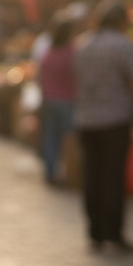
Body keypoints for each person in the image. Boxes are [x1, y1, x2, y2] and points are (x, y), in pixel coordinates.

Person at [73, 0, 133, 254]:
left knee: (92, 175)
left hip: (87, 120)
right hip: (115, 119)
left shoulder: (83, 45)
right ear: (120, 21)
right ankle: (114, 235)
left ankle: (95, 233)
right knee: (113, 177)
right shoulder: (123, 45)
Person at [39, 17, 76, 184]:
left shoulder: (48, 53)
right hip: (67, 101)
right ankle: (69, 172)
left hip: (49, 100)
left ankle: (50, 171)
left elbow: (40, 78)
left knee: (51, 137)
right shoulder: (72, 53)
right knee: (68, 138)